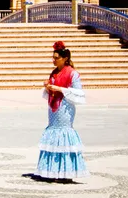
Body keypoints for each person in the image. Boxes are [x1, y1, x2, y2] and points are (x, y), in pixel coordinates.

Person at [35, 40, 88, 181]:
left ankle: (67, 172)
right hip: (54, 107)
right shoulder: (54, 73)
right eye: (53, 57)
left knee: (63, 132)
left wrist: (60, 89)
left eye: (56, 58)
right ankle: (53, 171)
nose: (54, 60)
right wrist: (47, 87)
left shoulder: (72, 73)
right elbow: (51, 89)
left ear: (65, 59)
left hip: (65, 106)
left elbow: (78, 92)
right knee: (53, 131)